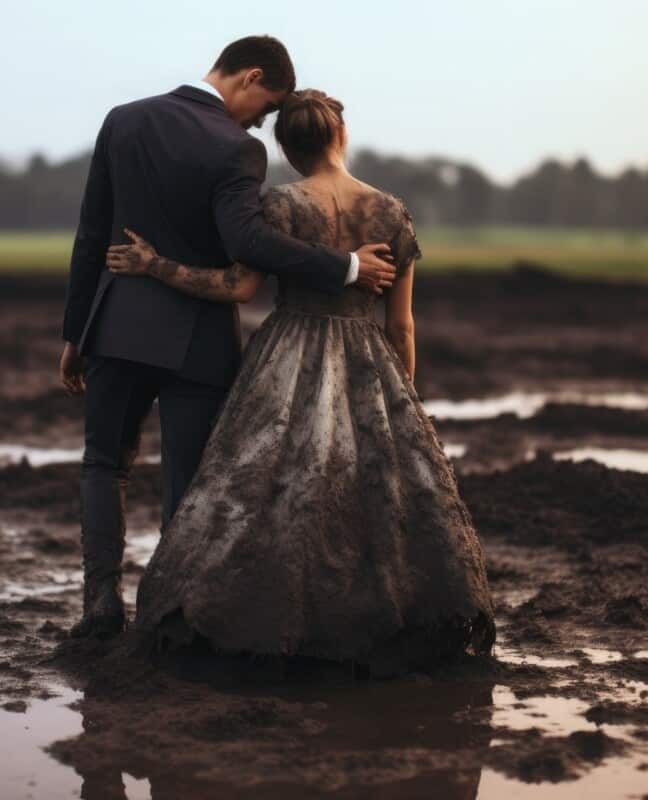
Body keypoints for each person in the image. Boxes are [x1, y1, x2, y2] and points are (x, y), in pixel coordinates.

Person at [108, 89, 496, 673]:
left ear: (286, 147)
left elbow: (238, 290)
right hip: (370, 360)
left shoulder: (278, 207)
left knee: (265, 490)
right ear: (341, 136)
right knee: (374, 494)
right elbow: (402, 324)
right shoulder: (391, 212)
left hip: (286, 353)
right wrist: (404, 405)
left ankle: (259, 624)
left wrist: (153, 265)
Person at [60, 36, 399, 638]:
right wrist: (344, 266)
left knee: (104, 465)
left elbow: (91, 231)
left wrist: (75, 330)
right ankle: (168, 614)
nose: (262, 123)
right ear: (249, 76)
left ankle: (100, 604)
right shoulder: (235, 149)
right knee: (188, 485)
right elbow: (246, 244)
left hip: (116, 326)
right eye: (265, 107)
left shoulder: (124, 120)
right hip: (197, 341)